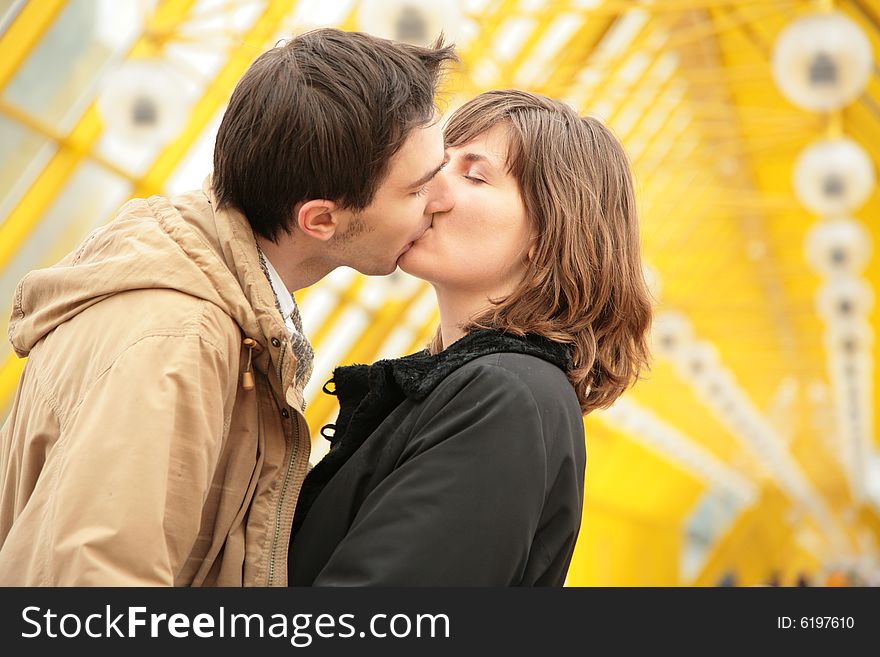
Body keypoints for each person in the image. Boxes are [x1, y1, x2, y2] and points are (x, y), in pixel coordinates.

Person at [0, 28, 457, 586]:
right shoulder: (180, 340)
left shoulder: (218, 315)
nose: (444, 198)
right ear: (320, 219)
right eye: (417, 189)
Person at [289, 90, 653, 586]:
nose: (432, 188)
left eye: (474, 174)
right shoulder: (471, 388)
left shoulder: (506, 398)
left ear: (548, 235)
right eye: (439, 162)